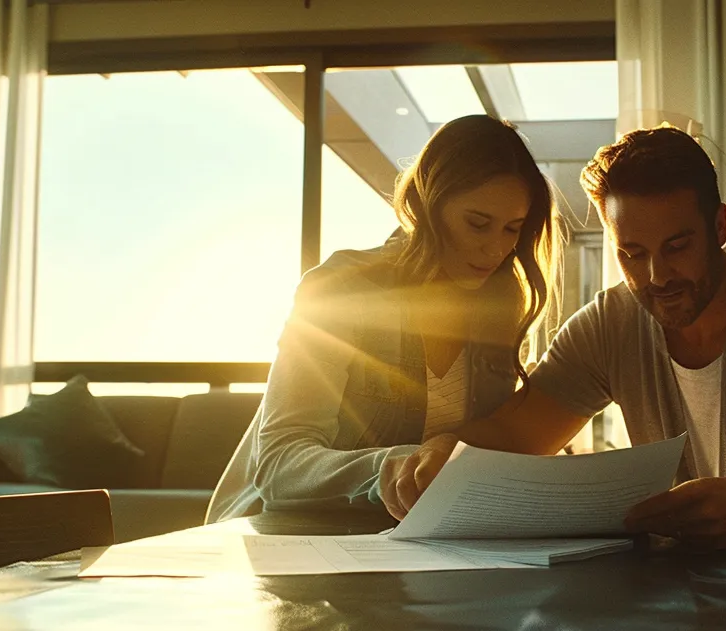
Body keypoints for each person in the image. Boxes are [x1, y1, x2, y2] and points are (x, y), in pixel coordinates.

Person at [382, 125, 726, 548]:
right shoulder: (612, 322)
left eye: (677, 246)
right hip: (688, 591)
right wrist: (447, 447)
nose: (658, 275)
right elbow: (516, 433)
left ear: (720, 226)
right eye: (632, 254)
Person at [205, 115, 562, 522]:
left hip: (409, 540)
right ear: (428, 204)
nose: (495, 249)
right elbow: (279, 466)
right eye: (477, 224)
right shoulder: (342, 288)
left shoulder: (503, 305)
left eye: (511, 229)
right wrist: (391, 468)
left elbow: (490, 443)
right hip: (282, 535)